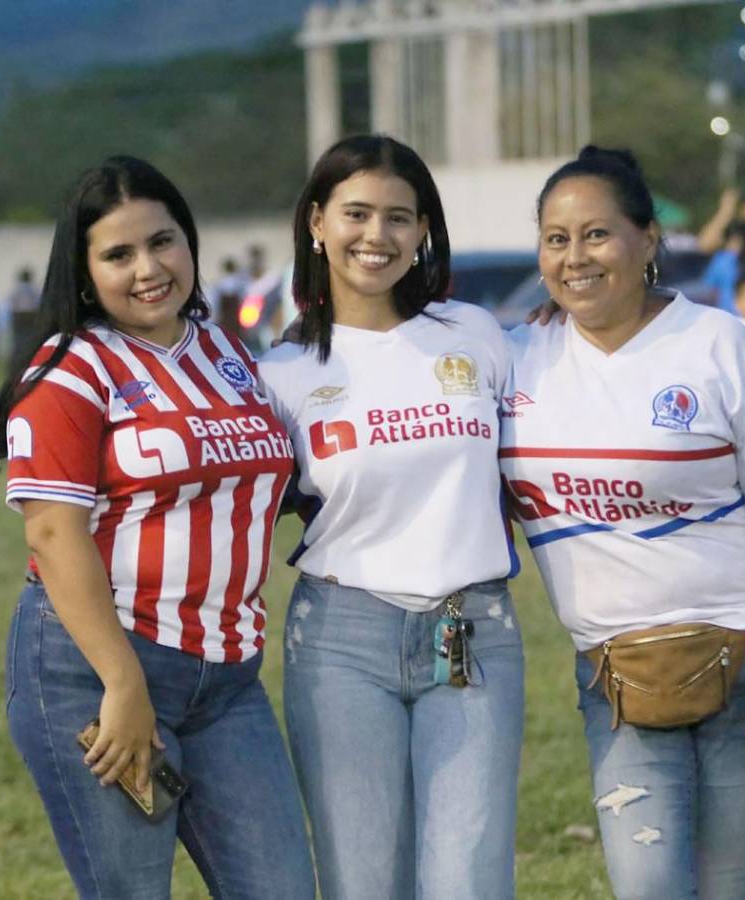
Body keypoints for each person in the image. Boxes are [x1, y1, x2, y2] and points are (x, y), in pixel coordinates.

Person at [0, 156, 315, 898]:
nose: (148, 268)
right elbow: (53, 535)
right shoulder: (68, 373)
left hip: (226, 681)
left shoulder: (225, 352)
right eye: (118, 254)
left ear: (189, 243)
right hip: (101, 675)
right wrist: (122, 682)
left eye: (162, 241)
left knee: (280, 886)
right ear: (84, 269)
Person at [502, 146, 745, 899]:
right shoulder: (513, 358)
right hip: (615, 683)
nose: (575, 257)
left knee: (732, 891)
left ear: (648, 240)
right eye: (556, 238)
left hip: (744, 668)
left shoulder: (720, 345)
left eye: (597, 234)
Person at [258, 134, 523, 900]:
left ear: (423, 231)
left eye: (399, 218)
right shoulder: (280, 374)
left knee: (467, 882)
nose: (377, 236)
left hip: (475, 637)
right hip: (340, 643)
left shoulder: (476, 335)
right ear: (316, 222)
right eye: (357, 214)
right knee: (361, 882)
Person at [6, 266, 42, 362]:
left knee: (18, 341)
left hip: (19, 316)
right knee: (30, 339)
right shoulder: (35, 290)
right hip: (31, 316)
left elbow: (10, 304)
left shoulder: (16, 290)